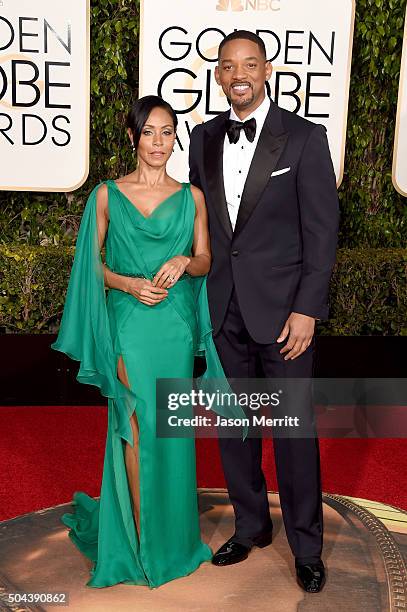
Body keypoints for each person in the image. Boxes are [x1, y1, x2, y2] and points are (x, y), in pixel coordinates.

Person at [52, 95, 238, 589]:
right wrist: (127, 283)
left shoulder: (191, 196)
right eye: (150, 132)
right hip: (128, 321)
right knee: (135, 421)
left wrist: (184, 264)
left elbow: (205, 259)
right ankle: (139, 538)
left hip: (173, 324)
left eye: (168, 132)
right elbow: (91, 267)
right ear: (133, 138)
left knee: (169, 427)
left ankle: (171, 538)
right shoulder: (107, 195)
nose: (160, 143)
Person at [189, 30, 340, 593]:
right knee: (235, 429)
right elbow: (204, 227)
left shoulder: (303, 138)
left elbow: (322, 231)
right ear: (220, 75)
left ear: (267, 69)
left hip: (285, 320)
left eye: (250, 63)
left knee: (294, 434)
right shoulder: (204, 138)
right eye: (229, 66)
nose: (239, 74)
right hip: (223, 310)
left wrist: (307, 310)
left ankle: (306, 544)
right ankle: (251, 526)